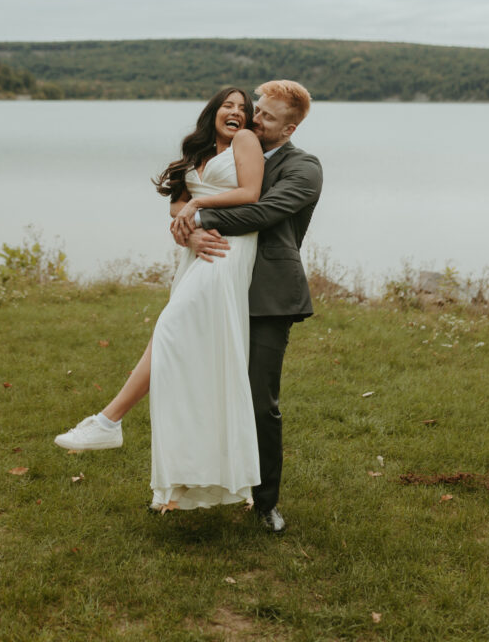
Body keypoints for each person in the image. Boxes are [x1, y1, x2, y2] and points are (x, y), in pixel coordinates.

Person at [55, 80, 323, 533]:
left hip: (267, 295)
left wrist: (197, 215)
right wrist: (188, 231)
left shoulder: (305, 168)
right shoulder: (235, 145)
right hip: (215, 271)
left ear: (291, 128)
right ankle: (183, 488)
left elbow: (261, 213)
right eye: (255, 110)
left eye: (268, 118)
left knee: (259, 402)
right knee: (192, 380)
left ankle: (264, 504)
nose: (256, 120)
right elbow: (186, 205)